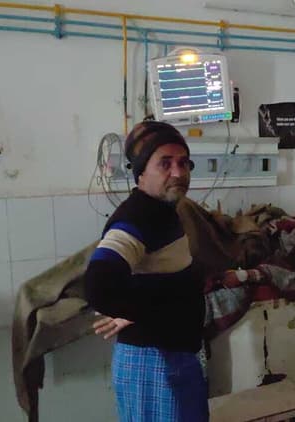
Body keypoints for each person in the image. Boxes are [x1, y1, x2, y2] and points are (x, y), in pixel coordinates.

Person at [84, 119, 208, 421]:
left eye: (183, 163)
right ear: (141, 172)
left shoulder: (165, 211)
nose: (178, 173)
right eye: (165, 163)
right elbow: (100, 286)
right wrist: (141, 310)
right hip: (152, 364)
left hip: (175, 356)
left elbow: (171, 278)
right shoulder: (136, 218)